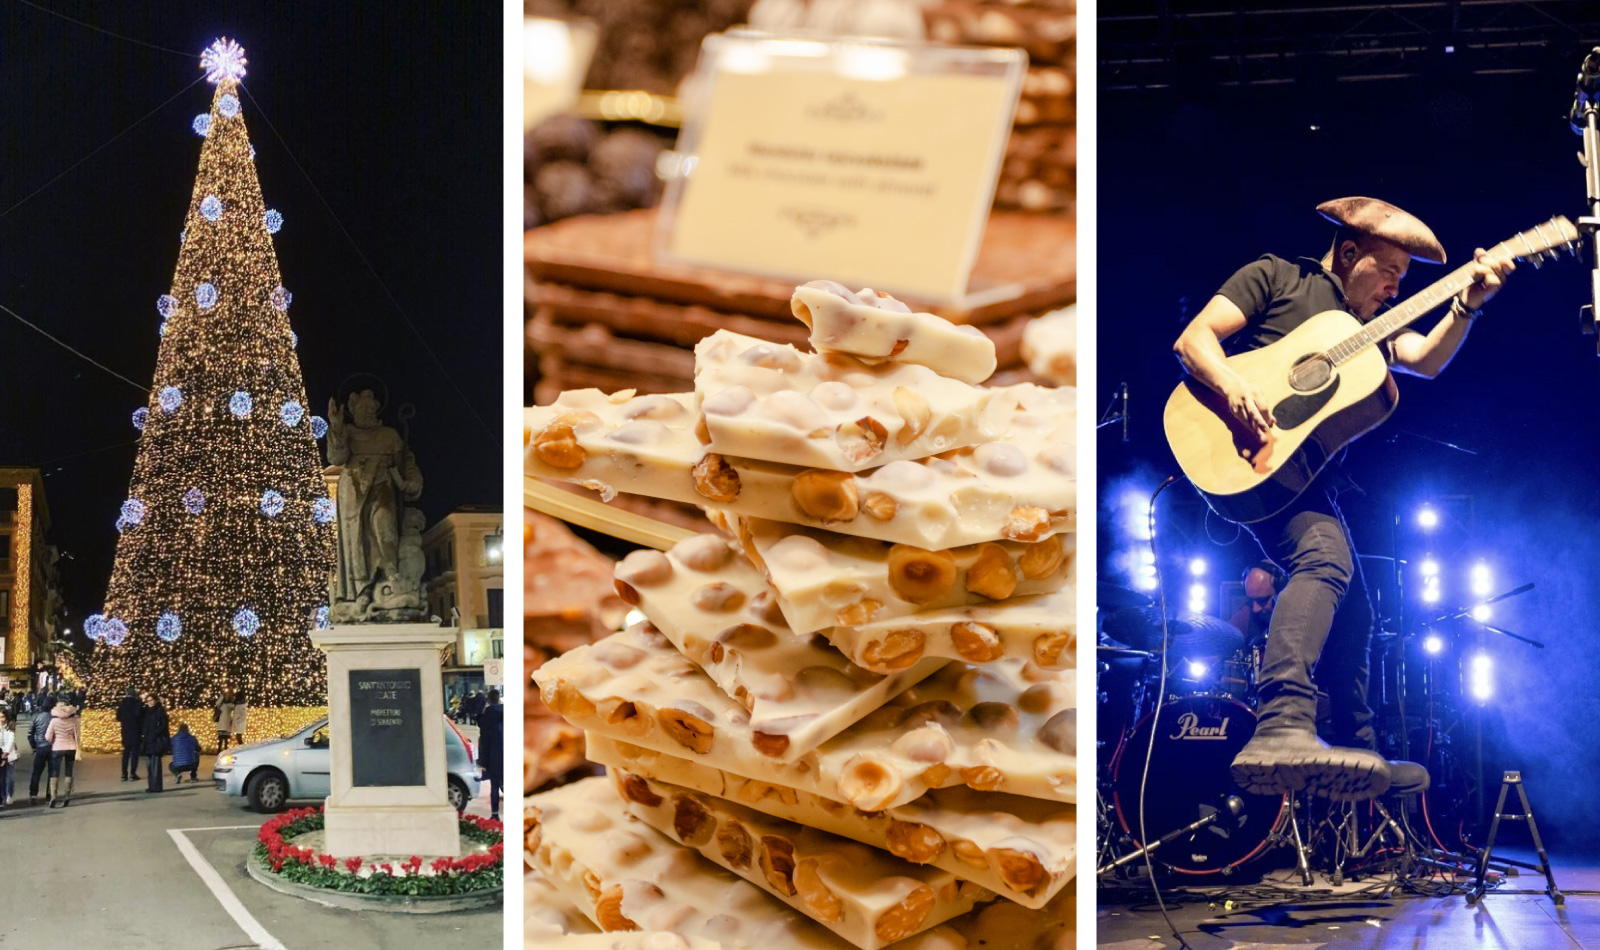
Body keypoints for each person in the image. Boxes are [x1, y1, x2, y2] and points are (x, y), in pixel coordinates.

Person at [1173, 196, 1514, 801]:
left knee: (1356, 608)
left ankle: (1357, 751)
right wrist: (1233, 386)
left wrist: (1466, 304)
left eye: (1403, 282)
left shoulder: (1362, 335)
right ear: (1350, 252)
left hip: (1307, 481)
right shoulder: (1276, 276)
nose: (1393, 287)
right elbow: (1194, 340)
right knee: (1326, 557)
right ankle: (1281, 720)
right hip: (1248, 458)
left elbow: (1425, 360)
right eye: (1389, 273)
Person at [1229, 561, 1284, 646]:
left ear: (1281, 590)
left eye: (1262, 600)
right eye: (1251, 600)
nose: (1255, 609)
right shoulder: (1245, 615)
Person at [44, 698, 79, 808]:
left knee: (54, 772)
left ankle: (54, 796)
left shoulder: (54, 721)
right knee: (68, 772)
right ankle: (67, 795)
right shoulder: (74, 720)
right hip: (71, 747)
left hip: (57, 747)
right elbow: (78, 735)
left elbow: (47, 737)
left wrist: (53, 740)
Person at [477, 687, 503, 820]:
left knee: (494, 786)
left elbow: (484, 740)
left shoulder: (488, 715)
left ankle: (495, 814)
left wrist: (482, 760)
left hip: (494, 756)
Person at [141, 694, 171, 793]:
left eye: (151, 700)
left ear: (156, 700)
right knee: (150, 766)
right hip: (148, 742)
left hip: (156, 741)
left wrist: (155, 733)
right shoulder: (147, 711)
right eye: (148, 700)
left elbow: (163, 725)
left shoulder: (160, 710)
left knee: (155, 766)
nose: (149, 702)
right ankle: (151, 786)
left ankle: (156, 787)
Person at [27, 696, 52, 805]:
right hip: (52, 747)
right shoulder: (54, 717)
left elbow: (30, 735)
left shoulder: (36, 717)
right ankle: (49, 795)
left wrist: (34, 747)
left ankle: (33, 794)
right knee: (52, 773)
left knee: (36, 772)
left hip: (40, 747)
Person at [116, 685, 144, 782]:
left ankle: (124, 774)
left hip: (125, 731)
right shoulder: (137, 703)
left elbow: (118, 717)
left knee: (126, 753)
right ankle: (132, 773)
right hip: (136, 731)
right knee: (135, 754)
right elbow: (139, 714)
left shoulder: (122, 703)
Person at [0, 709, 17, 807]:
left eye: (3, 717)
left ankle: (9, 794)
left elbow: (11, 740)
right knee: (1, 779)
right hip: (0, 756)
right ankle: (3, 797)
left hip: (9, 755)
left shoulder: (10, 727)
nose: (1, 719)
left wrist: (6, 753)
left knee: (9, 778)